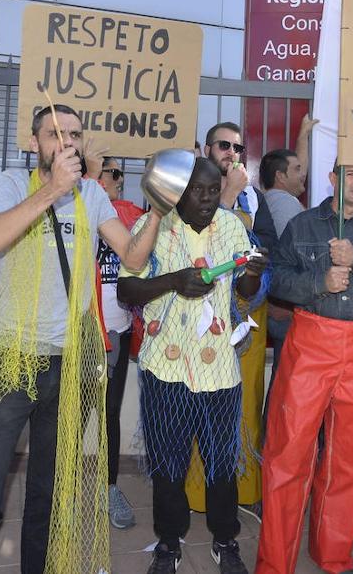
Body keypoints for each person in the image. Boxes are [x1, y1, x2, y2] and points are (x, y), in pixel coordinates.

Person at [0, 104, 161, 573]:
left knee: (44, 494)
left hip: (67, 364)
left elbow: (133, 257)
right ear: (34, 142)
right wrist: (51, 191)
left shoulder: (91, 195)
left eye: (75, 135)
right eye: (54, 134)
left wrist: (159, 211)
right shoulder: (10, 183)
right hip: (10, 359)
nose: (66, 143)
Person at [256, 163, 353, 574]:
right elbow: (277, 280)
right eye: (351, 175)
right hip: (309, 342)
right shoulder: (304, 225)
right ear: (334, 178)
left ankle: (335, 554)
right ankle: (275, 562)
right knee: (288, 455)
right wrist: (319, 283)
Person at [118, 157, 268, 574]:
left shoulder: (233, 226)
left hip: (219, 370)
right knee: (169, 465)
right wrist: (171, 281)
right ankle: (169, 543)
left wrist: (253, 272)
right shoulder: (152, 227)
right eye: (196, 190)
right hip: (166, 371)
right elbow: (126, 287)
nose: (206, 198)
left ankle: (225, 540)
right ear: (177, 192)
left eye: (212, 188)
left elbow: (246, 290)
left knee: (222, 464)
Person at [196, 122, 274, 519]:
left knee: (244, 407)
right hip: (195, 320)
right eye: (223, 145)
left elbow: (269, 250)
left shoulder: (254, 198)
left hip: (245, 322)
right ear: (207, 149)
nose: (231, 152)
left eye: (238, 147)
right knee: (195, 410)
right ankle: (194, 496)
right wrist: (225, 195)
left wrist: (255, 277)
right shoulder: (188, 192)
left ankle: (244, 491)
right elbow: (196, 244)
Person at [91, 155, 147, 529]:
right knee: (70, 416)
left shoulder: (131, 216)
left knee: (109, 416)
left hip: (118, 333)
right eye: (109, 172)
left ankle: (108, 487)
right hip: (79, 333)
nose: (116, 179)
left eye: (116, 173)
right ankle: (57, 491)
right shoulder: (73, 210)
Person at [258, 147, 307, 380]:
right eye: (297, 169)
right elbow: (291, 257)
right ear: (280, 176)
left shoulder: (271, 201)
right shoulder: (285, 203)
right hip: (285, 309)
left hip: (279, 305)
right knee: (287, 381)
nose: (302, 174)